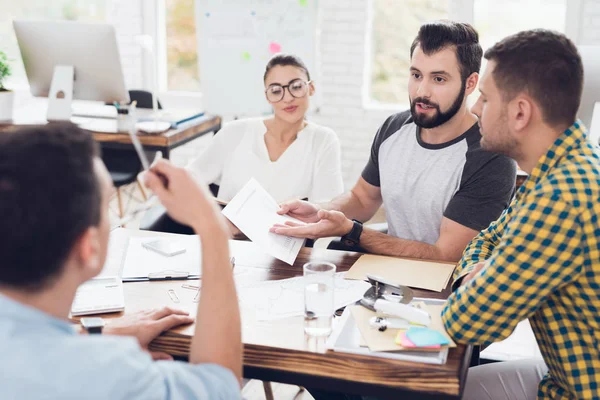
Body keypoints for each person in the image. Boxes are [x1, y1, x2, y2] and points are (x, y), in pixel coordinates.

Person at [0, 123, 242, 399]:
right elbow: (220, 385)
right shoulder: (111, 375)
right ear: (88, 247)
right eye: (106, 208)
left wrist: (93, 335)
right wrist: (211, 227)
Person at [272, 21, 516, 263]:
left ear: (470, 83)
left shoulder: (491, 157)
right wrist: (319, 211)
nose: (422, 91)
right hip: (388, 271)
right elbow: (362, 199)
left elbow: (446, 255)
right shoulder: (394, 128)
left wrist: (352, 231)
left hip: (443, 286)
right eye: (416, 75)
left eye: (439, 79)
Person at [442, 30, 600, 399]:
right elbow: (487, 237)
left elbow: (466, 322)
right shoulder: (561, 165)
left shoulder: (561, 198)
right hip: (558, 372)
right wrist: (479, 274)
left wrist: (480, 280)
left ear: (519, 112)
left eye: (485, 97)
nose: (476, 108)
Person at [187, 53, 344, 204]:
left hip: (289, 231)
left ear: (311, 88)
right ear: (267, 96)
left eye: (296, 87)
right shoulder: (235, 132)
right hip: (226, 230)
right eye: (276, 91)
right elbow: (191, 177)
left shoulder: (323, 141)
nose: (288, 98)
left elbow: (327, 208)